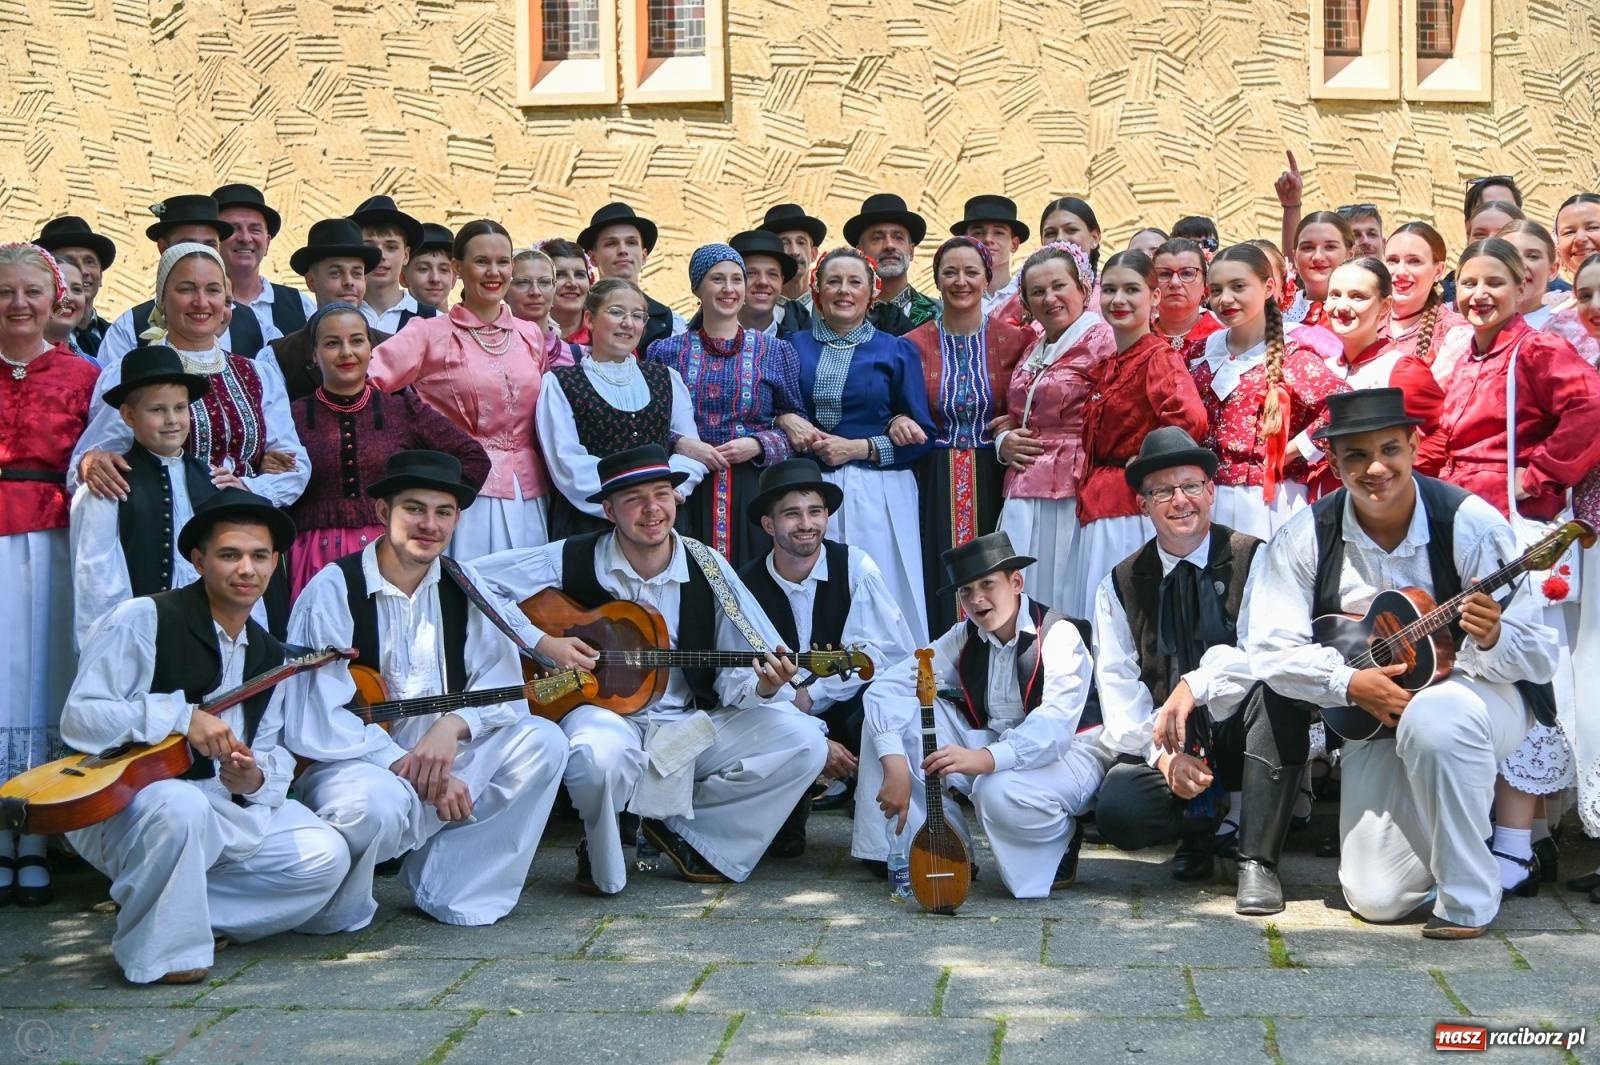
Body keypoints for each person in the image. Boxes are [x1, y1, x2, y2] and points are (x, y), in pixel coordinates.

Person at [1247, 388, 1558, 939]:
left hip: (1479, 700)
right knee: (1379, 899)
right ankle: (1452, 832)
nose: (1375, 468)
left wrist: (1493, 637)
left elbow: (1538, 655)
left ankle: (1468, 901)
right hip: (1375, 716)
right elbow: (1269, 647)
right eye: (1355, 456)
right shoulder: (1306, 534)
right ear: (1335, 462)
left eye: (1389, 449)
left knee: (1436, 720)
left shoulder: (1471, 525)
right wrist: (1348, 681)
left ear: (1415, 445)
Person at [472, 444, 829, 896]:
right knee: (597, 756)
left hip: (686, 721)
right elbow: (471, 577)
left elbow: (743, 662)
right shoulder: (571, 557)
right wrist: (542, 642)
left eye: (661, 494)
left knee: (803, 741)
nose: (651, 509)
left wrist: (762, 685)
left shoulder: (707, 566)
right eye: (634, 499)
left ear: (675, 499)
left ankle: (687, 835)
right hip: (604, 714)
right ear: (608, 510)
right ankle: (600, 856)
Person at [59, 489, 350, 982]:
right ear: (198, 560)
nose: (247, 570)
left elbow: (271, 745)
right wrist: (180, 717)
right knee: (181, 806)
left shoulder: (270, 652)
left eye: (260, 557)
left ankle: (179, 910)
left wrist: (254, 779)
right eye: (229, 555)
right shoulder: (142, 619)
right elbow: (80, 718)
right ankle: (164, 954)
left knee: (325, 857)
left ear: (276, 563)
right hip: (125, 801)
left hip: (221, 807)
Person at [280, 450, 569, 931]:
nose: (429, 524)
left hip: (446, 756)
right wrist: (404, 765)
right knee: (376, 805)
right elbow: (316, 715)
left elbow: (499, 688)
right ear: (382, 512)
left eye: (444, 512)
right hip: (358, 763)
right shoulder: (333, 589)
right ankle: (334, 903)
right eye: (414, 508)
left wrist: (454, 725)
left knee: (543, 742)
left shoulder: (465, 583)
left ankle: (452, 883)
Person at [1431, 238, 1600, 900]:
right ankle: (1509, 838)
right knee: (1482, 674)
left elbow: (1587, 408)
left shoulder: (1532, 346)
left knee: (1531, 681)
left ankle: (1519, 843)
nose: (1478, 294)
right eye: (1468, 282)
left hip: (1517, 534)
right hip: (1468, 524)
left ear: (1523, 283)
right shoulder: (1469, 355)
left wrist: (1542, 474)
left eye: (1493, 282)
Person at [1092, 428, 1307, 913]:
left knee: (1278, 694)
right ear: (1143, 504)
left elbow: (1267, 653)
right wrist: (1167, 761)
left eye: (1190, 486)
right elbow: (1119, 691)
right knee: (1120, 809)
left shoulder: (1256, 558)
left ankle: (1257, 859)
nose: (1179, 501)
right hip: (1173, 743)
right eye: (1162, 491)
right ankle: (1196, 834)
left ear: (1212, 492)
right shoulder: (1119, 584)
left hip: (1243, 735)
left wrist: (1195, 684)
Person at [868, 531, 1109, 898]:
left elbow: (1054, 728)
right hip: (997, 743)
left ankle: (1059, 836)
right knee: (905, 726)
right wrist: (894, 762)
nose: (976, 599)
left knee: (995, 790)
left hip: (1071, 755)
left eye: (987, 584)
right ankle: (949, 851)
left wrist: (985, 759)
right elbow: (886, 688)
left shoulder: (1059, 635)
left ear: (1016, 582)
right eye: (965, 590)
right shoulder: (964, 635)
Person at [736, 459, 917, 863]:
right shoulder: (744, 586)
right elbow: (738, 677)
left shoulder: (856, 567)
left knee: (883, 709)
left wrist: (813, 695)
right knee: (750, 717)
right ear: (769, 525)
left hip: (847, 703)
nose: (806, 523)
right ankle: (785, 815)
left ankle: (881, 844)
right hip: (779, 712)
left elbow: (884, 653)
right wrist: (810, 730)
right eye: (792, 514)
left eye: (815, 511)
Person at [0, 242, 99, 908]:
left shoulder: (84, 375)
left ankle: (34, 833)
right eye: (5, 291)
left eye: (31, 291)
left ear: (54, 298)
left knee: (40, 676)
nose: (18, 304)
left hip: (54, 540)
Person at [368, 219, 562, 560]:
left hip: (531, 491)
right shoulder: (429, 333)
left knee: (533, 600)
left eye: (502, 262)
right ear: (458, 268)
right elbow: (368, 383)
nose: (494, 272)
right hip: (463, 489)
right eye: (481, 261)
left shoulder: (529, 335)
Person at [73, 243, 309, 513]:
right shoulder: (129, 372)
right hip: (161, 524)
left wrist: (248, 487)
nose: (201, 301)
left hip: (245, 525)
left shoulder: (257, 374)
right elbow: (98, 461)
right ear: (161, 299)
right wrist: (94, 462)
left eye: (213, 290)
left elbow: (296, 466)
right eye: (186, 289)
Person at [287, 303, 490, 597]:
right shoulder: (291, 416)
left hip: (390, 554)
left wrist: (432, 506)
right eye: (332, 343)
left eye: (357, 340)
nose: (346, 352)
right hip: (313, 555)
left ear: (371, 348)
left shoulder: (402, 409)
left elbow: (473, 458)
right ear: (314, 355)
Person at [787, 248, 937, 643]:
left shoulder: (896, 349)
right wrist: (783, 418)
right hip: (811, 487)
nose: (844, 291)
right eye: (834, 281)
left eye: (855, 282)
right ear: (816, 291)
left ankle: (895, 683)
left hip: (880, 491)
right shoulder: (792, 347)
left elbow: (923, 436)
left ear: (873, 292)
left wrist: (859, 448)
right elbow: (774, 404)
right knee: (817, 588)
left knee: (881, 586)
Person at [904, 237, 1037, 633]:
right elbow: (898, 405)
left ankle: (1001, 655)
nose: (960, 281)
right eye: (950, 272)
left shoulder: (1015, 342)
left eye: (971, 272)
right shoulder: (911, 346)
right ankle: (945, 666)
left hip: (995, 472)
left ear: (987, 278)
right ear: (936, 279)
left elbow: (1029, 402)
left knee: (996, 572)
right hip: (932, 477)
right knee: (938, 569)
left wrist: (1013, 425)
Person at [69, 345, 244, 647]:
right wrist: (109, 649)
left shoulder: (211, 480)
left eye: (179, 408)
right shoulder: (108, 487)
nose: (172, 420)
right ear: (128, 415)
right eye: (157, 410)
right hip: (137, 639)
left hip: (206, 635)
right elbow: (96, 582)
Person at [645, 244, 807, 567]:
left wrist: (757, 444)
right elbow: (648, 424)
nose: (729, 289)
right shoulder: (664, 352)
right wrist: (684, 444)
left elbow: (797, 427)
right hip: (686, 489)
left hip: (752, 488)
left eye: (737, 279)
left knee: (751, 585)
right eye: (717, 279)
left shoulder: (775, 351)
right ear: (697, 288)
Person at [1075, 251, 1208, 621]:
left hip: (1127, 509)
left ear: (1154, 297)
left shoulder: (1157, 357)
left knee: (1128, 615)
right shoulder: (1108, 365)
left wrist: (1149, 461)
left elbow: (1190, 419)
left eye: (1131, 289)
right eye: (1111, 289)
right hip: (1098, 503)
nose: (1119, 299)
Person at [1187, 242, 1347, 539]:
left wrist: (1292, 450)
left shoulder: (1291, 352)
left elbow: (1345, 406)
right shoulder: (1199, 352)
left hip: (1269, 503)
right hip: (1208, 500)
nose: (1226, 298)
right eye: (1217, 289)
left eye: (1238, 286)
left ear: (1268, 286)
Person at [996, 242, 1114, 623]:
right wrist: (1003, 442)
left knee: (1061, 588)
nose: (1050, 298)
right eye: (1038, 292)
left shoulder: (1103, 340)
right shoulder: (1034, 346)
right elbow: (1014, 414)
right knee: (1021, 589)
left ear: (1083, 288)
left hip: (1070, 485)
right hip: (1025, 483)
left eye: (1059, 286)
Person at [538, 278, 706, 539]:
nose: (628, 323)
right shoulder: (560, 383)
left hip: (660, 522)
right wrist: (624, 500)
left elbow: (691, 450)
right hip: (591, 524)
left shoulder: (666, 378)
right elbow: (566, 460)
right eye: (616, 312)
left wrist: (668, 493)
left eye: (637, 316)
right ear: (590, 320)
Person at [98, 195, 267, 364]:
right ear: (163, 248)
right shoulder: (129, 328)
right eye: (187, 245)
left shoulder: (258, 326)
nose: (199, 253)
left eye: (209, 245)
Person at [1320, 258, 1445, 452]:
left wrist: (1397, 471)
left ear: (1385, 306)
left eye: (1357, 297)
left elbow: (1443, 434)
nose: (1342, 306)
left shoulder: (1401, 370)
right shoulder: (1321, 369)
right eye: (1335, 295)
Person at [269, 218, 387, 400]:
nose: (349, 282)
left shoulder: (389, 346)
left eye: (357, 273)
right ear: (311, 281)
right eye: (335, 273)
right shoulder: (278, 356)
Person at [577, 201, 685, 351]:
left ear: (644, 255)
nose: (622, 250)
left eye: (631, 242)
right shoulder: (575, 313)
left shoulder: (671, 323)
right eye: (611, 243)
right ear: (593, 258)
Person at [213, 182, 313, 341]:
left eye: (255, 229)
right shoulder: (197, 307)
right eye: (233, 229)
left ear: (267, 243)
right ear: (213, 242)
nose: (245, 238)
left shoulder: (302, 306)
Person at [1381, 222, 1468, 378]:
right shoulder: (1365, 321)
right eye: (1393, 260)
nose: (1400, 271)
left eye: (1414, 261)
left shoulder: (1457, 333)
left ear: (1438, 271)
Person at [843, 193, 938, 332]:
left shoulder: (941, 315)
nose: (889, 245)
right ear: (860, 252)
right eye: (877, 238)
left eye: (898, 237)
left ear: (911, 251)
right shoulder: (842, 316)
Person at [351, 195, 436, 333]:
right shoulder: (335, 318)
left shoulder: (435, 321)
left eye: (391, 247)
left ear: (406, 255)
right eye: (369, 247)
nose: (381, 256)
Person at [34, 215, 116, 358]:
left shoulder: (118, 336)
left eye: (89, 261)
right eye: (68, 262)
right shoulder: (28, 338)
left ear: (101, 275)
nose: (82, 271)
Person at [949, 194, 1028, 315]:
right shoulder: (952, 297)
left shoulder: (1027, 297)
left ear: (1014, 244)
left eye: (998, 232)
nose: (988, 239)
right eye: (978, 232)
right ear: (965, 241)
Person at [728, 229, 805, 336]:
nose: (763, 282)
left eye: (772, 274)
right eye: (751, 273)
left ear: (781, 281)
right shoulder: (704, 345)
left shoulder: (796, 346)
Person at [1151, 238, 1222, 354]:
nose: (1175, 283)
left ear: (1205, 284)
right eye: (1164, 274)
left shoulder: (1224, 340)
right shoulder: (1139, 340)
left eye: (1187, 273)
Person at [758, 202, 827, 319]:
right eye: (784, 243)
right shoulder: (753, 312)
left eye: (801, 242)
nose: (794, 251)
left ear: (814, 253)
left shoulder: (831, 309)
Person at [1288, 211, 1354, 328]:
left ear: (1350, 255)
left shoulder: (1368, 310)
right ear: (1295, 257)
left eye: (1330, 247)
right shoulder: (1278, 313)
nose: (1318, 257)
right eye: (1308, 247)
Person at [541, 238, 594, 344]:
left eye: (580, 274)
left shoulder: (607, 333)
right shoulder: (520, 335)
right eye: (559, 275)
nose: (572, 283)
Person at [405, 223, 456, 312]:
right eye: (423, 269)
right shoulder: (386, 325)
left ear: (454, 279)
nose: (435, 279)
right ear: (402, 278)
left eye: (444, 270)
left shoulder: (469, 325)